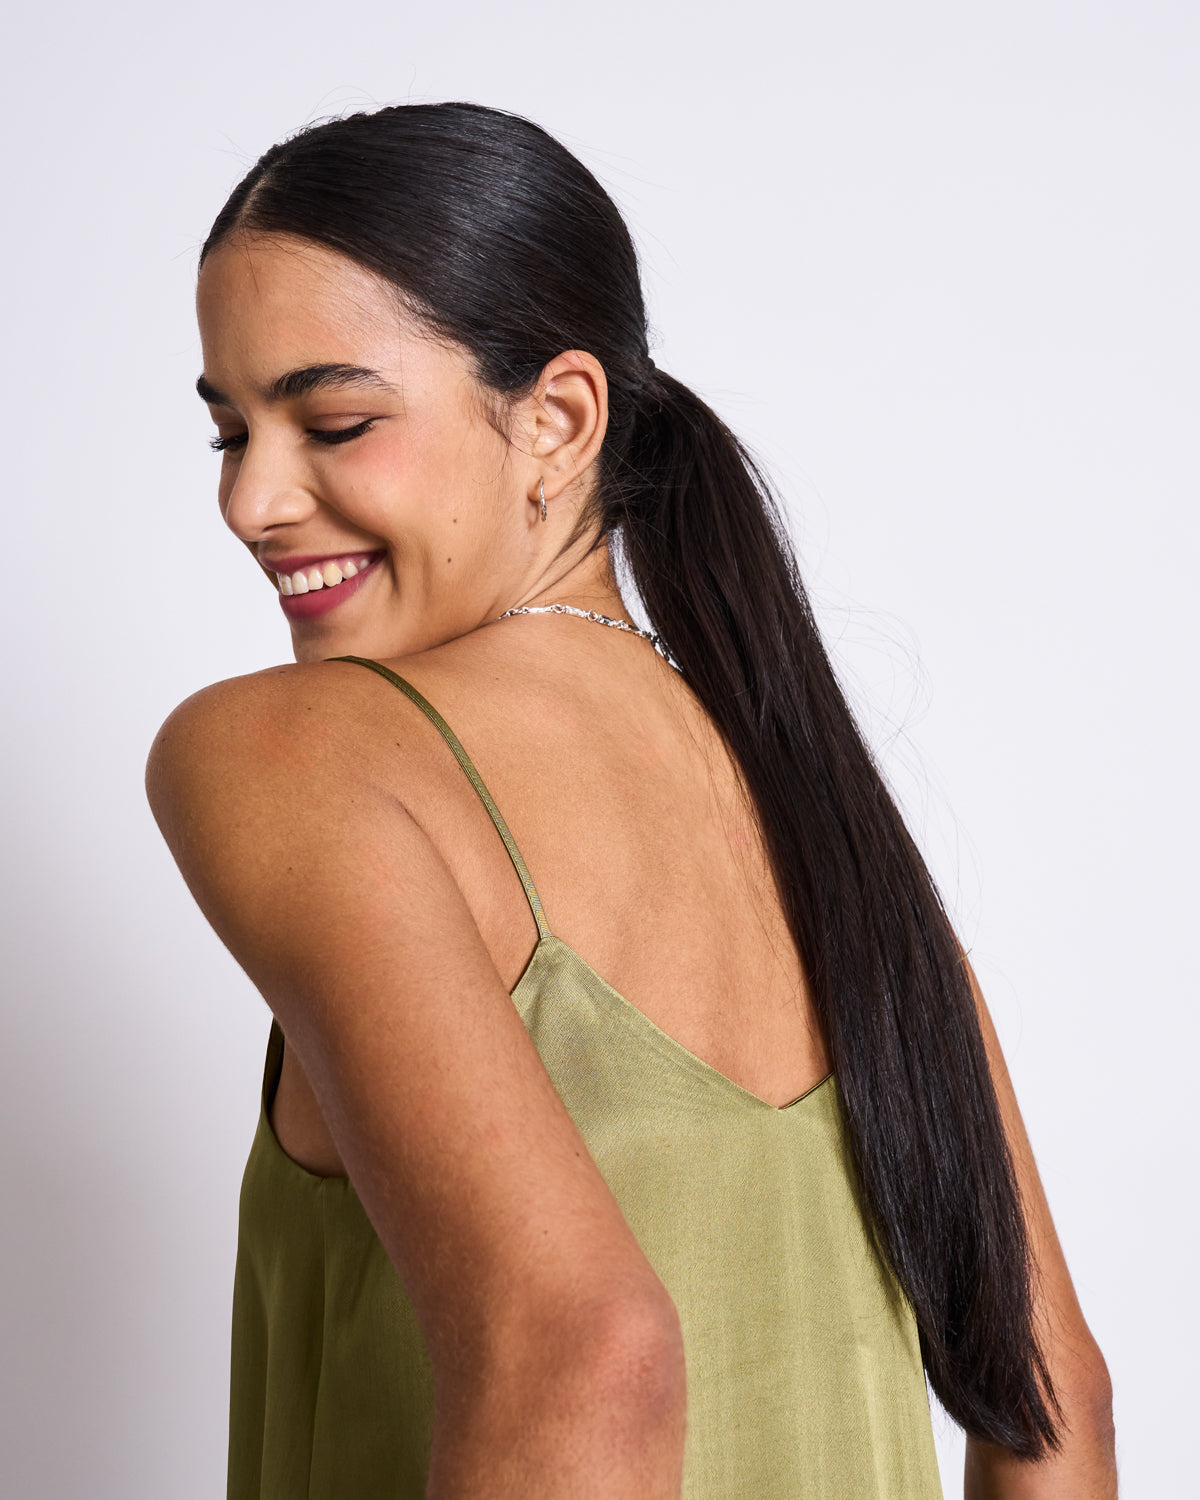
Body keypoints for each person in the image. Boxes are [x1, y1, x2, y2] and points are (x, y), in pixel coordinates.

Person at [145, 102, 1116, 1499]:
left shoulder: (299, 752)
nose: (252, 499)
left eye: (334, 420)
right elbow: (1054, 1395)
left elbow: (584, 1351)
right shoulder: (823, 821)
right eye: (229, 432)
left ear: (558, 419)